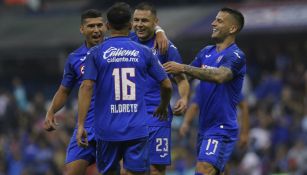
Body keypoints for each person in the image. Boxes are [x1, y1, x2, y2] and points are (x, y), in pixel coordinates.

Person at [76, 2, 172, 175]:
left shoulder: (96, 53)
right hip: (137, 128)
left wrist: (81, 124)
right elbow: (166, 84)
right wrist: (163, 106)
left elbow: (87, 86)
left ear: (107, 26)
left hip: (106, 130)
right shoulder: (145, 52)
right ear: (130, 25)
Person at [163, 7, 246, 175]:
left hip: (221, 127)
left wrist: (183, 67)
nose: (213, 23)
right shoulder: (206, 52)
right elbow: (184, 78)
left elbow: (220, 76)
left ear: (233, 28)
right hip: (204, 127)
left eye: (219, 21)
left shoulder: (236, 56)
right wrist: (184, 96)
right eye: (215, 19)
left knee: (203, 169)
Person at [43, 9, 106, 175]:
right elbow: (64, 90)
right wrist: (51, 111)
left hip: (111, 123)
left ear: (106, 27)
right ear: (82, 29)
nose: (96, 30)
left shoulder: (116, 51)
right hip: (86, 126)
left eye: (100, 25)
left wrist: (159, 32)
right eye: (91, 26)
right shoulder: (74, 58)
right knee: (71, 171)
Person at [131, 3, 190, 175]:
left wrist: (184, 98)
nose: (139, 24)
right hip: (131, 114)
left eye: (144, 20)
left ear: (155, 21)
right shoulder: (127, 42)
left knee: (156, 168)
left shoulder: (166, 48)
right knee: (129, 168)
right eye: (136, 20)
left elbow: (182, 80)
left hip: (158, 115)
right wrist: (159, 30)